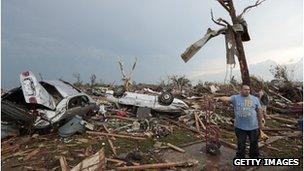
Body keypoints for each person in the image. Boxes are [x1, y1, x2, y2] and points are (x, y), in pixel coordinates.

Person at [216, 84, 264, 158]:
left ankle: (254, 158)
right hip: (240, 127)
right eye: (245, 89)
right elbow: (227, 98)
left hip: (253, 126)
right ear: (241, 90)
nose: (247, 91)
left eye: (248, 89)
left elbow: (259, 111)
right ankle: (240, 158)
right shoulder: (236, 98)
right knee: (241, 144)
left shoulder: (255, 99)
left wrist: (260, 123)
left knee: (254, 144)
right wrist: (219, 98)